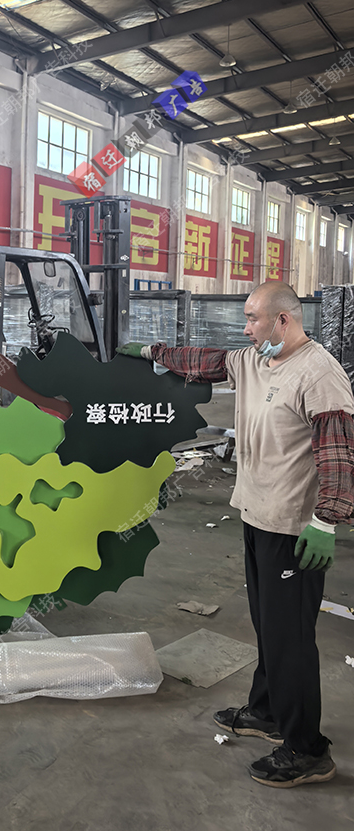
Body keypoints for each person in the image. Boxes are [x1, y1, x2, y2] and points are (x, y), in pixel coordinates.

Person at [117, 281, 354, 788]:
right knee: (269, 627)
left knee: (290, 639)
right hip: (256, 515)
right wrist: (150, 352)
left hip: (294, 529)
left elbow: (338, 455)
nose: (245, 329)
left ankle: (307, 750)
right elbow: (204, 361)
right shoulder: (253, 361)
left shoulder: (319, 374)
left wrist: (327, 521)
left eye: (252, 318)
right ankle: (268, 713)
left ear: (283, 320)